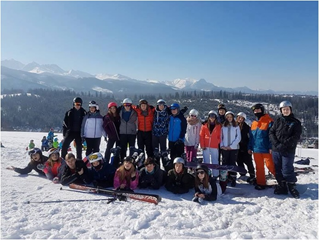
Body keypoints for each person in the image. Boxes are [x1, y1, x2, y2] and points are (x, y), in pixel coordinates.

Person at [269, 101, 302, 198]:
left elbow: (296, 136)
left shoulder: (295, 122)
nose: (286, 111)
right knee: (278, 169)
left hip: (288, 150)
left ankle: (291, 185)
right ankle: (281, 185)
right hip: (276, 150)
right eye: (284, 109)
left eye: (287, 109)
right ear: (281, 111)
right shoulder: (278, 120)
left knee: (287, 169)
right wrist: (276, 144)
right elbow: (271, 132)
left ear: (291, 110)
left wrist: (284, 145)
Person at [248, 103, 276, 190]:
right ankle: (261, 183)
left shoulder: (269, 121)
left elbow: (272, 135)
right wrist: (249, 147)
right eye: (255, 110)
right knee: (259, 167)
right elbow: (251, 137)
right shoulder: (254, 123)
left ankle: (282, 181)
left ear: (262, 110)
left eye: (258, 110)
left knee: (271, 166)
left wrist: (271, 147)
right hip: (256, 149)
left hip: (266, 149)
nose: (256, 112)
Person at [220, 111, 241, 187]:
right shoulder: (223, 126)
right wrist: (222, 145)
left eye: (230, 117)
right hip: (225, 148)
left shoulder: (236, 126)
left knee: (232, 163)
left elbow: (238, 137)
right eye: (228, 117)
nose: (229, 118)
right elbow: (221, 137)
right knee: (225, 163)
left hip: (233, 148)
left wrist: (231, 146)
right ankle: (224, 178)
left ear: (233, 117)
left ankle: (233, 178)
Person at [199, 110, 222, 179]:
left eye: (213, 116)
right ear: (208, 117)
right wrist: (202, 145)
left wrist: (217, 141)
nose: (212, 118)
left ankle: (215, 175)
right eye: (211, 116)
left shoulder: (218, 125)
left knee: (215, 160)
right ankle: (207, 174)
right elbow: (201, 135)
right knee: (206, 160)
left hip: (214, 146)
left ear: (215, 117)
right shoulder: (204, 125)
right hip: (206, 145)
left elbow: (220, 136)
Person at [236, 112, 256, 183]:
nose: (240, 119)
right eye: (239, 117)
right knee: (239, 162)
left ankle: (252, 175)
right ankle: (242, 174)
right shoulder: (234, 126)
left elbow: (250, 138)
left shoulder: (247, 128)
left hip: (245, 148)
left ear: (244, 119)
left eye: (241, 118)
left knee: (248, 162)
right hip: (237, 148)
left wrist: (250, 147)